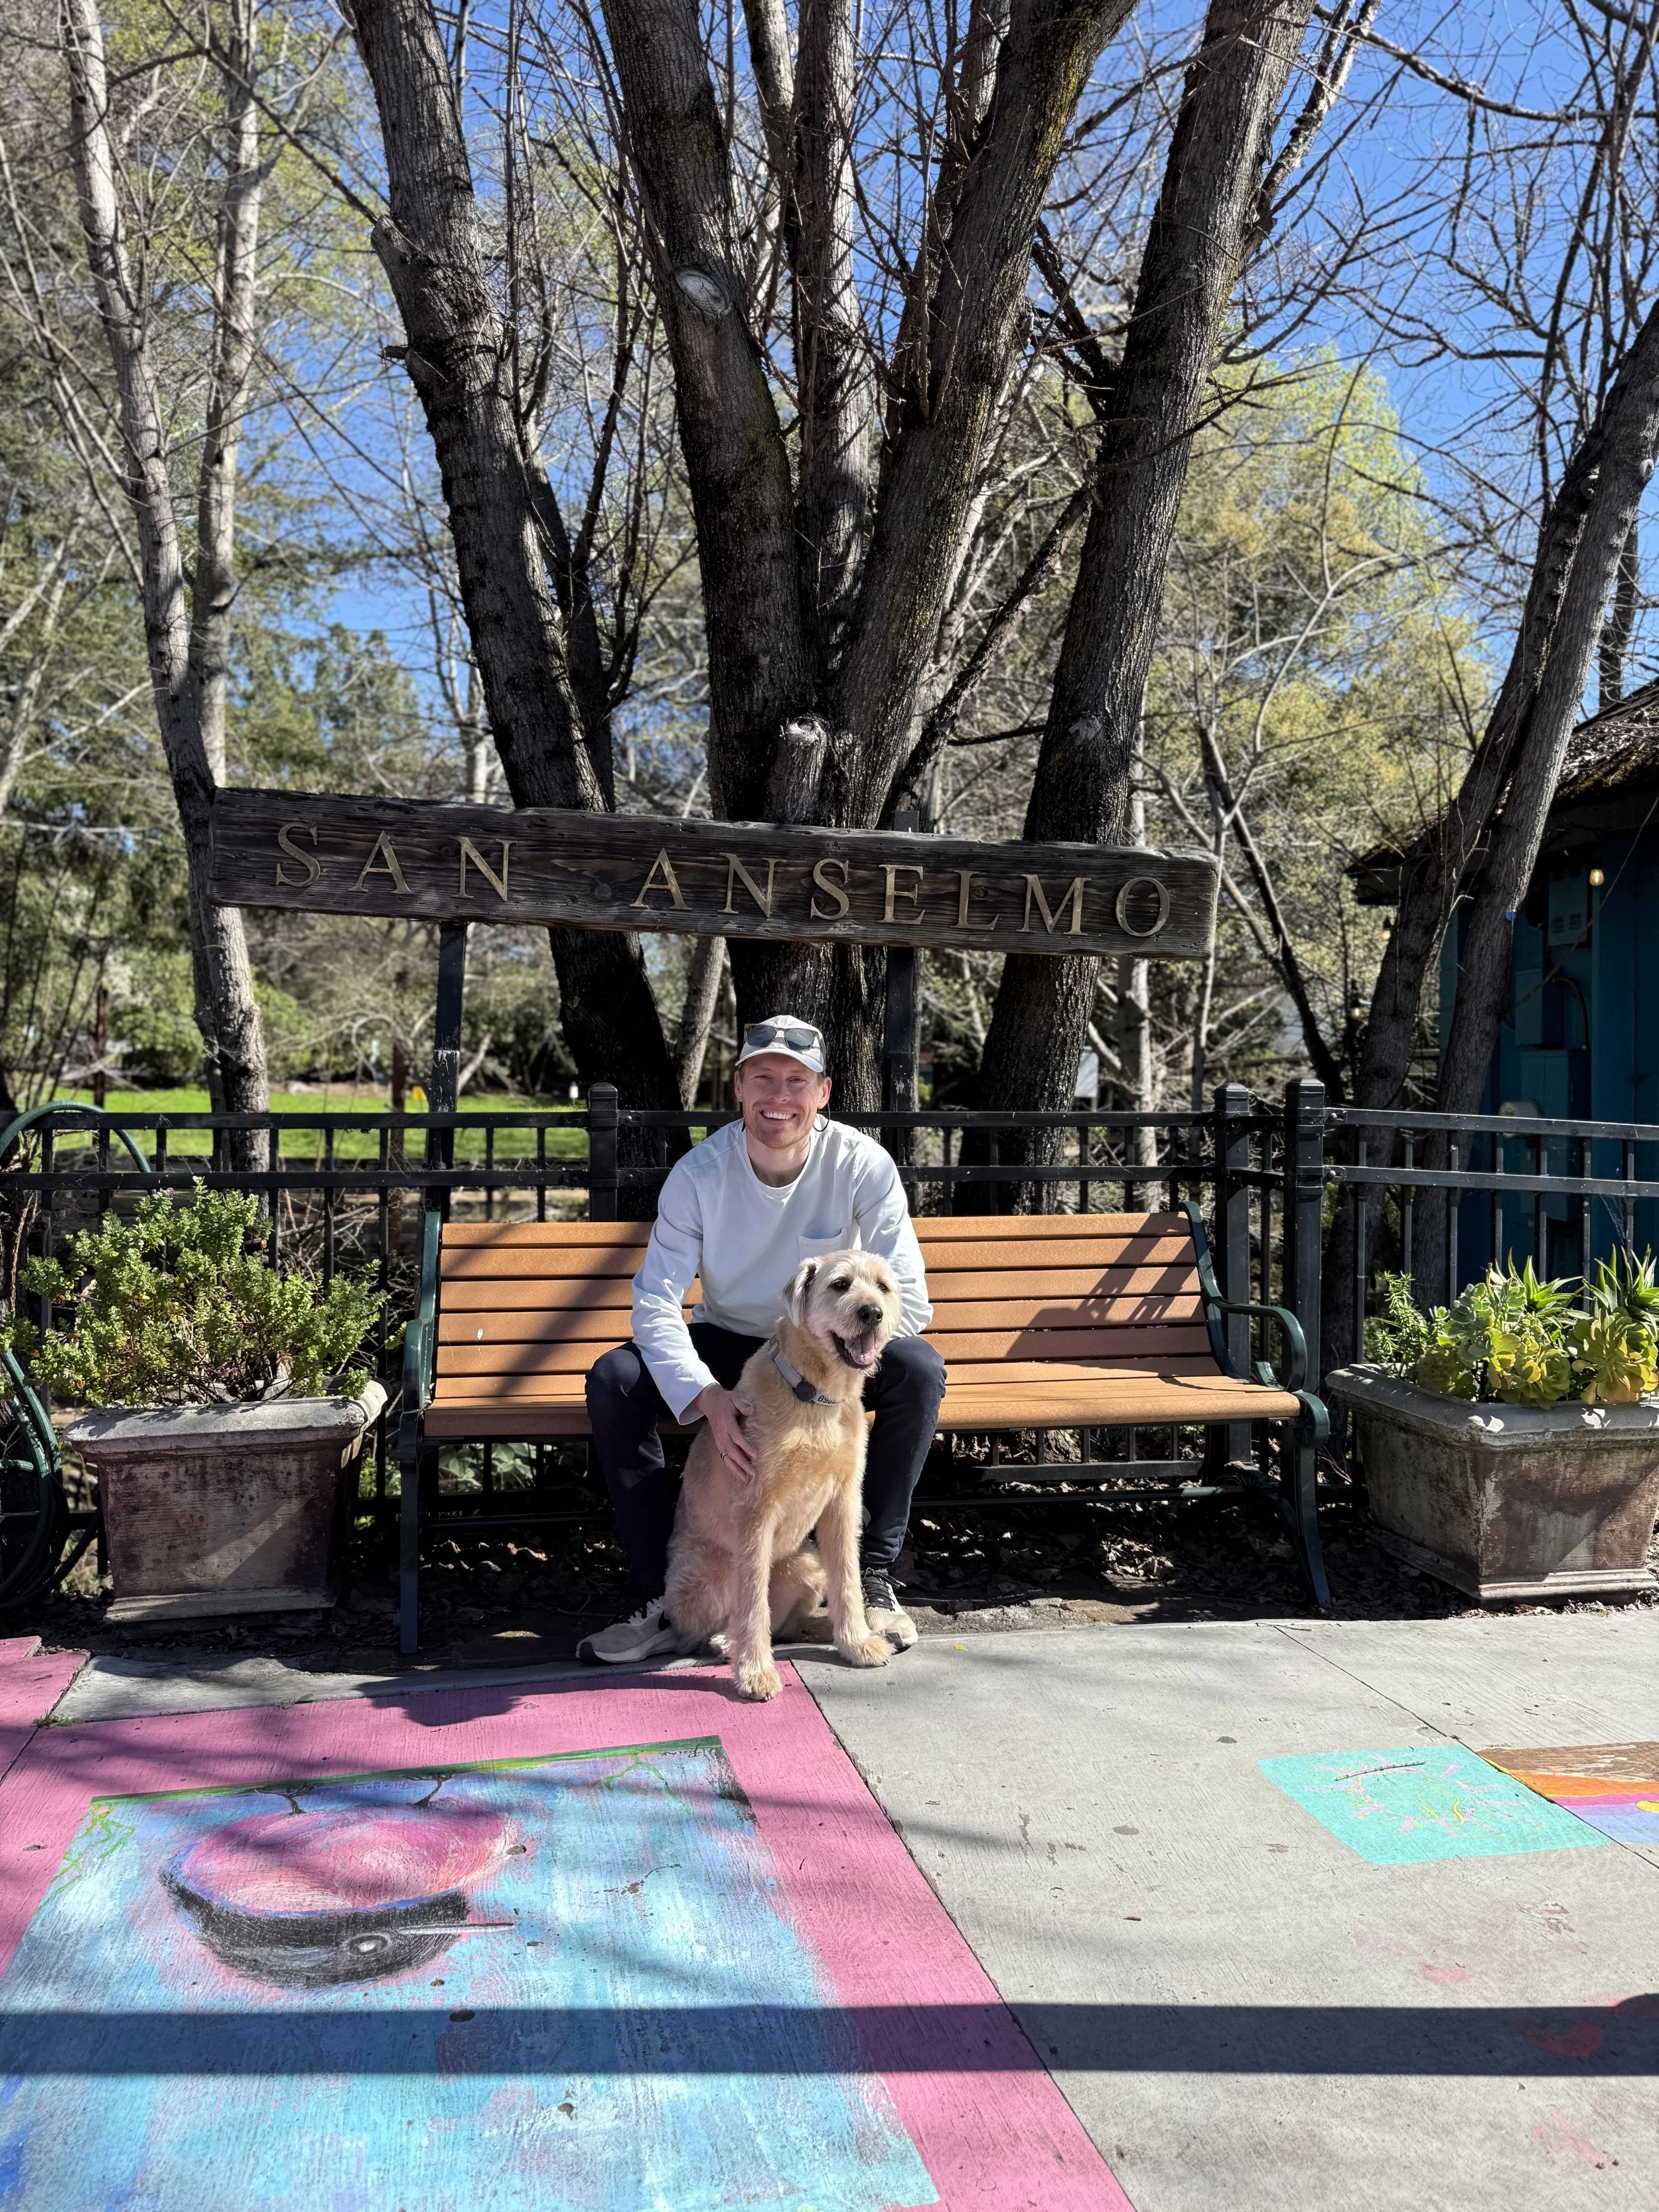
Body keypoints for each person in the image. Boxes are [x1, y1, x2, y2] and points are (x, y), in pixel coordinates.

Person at [579, 1013, 946, 1664]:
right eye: (764, 1078)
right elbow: (655, 1300)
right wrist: (707, 1397)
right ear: (739, 1088)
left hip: (821, 1342)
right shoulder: (699, 1173)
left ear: (823, 1092)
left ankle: (872, 1577)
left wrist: (836, 1355)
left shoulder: (862, 1164)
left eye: (797, 1081)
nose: (780, 1096)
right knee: (616, 1380)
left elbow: (909, 1299)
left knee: (918, 1370)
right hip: (730, 1343)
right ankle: (662, 1595)